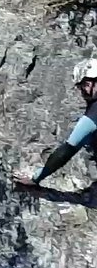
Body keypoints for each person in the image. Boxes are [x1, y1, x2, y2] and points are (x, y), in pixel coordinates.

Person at [14, 59, 97, 187]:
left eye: (85, 85)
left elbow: (67, 150)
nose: (83, 92)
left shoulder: (93, 113)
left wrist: (36, 177)